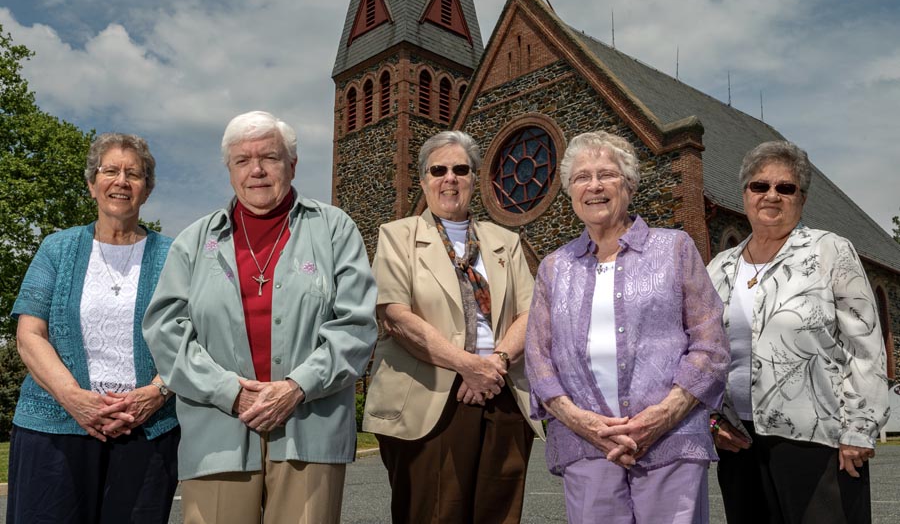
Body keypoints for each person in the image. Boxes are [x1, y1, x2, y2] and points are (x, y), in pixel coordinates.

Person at [142, 111, 377, 524]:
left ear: (292, 164)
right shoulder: (194, 242)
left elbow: (356, 326)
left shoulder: (335, 229)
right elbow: (165, 332)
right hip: (217, 434)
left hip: (310, 428)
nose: (257, 170)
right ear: (229, 170)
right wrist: (229, 392)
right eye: (242, 160)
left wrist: (296, 387)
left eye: (269, 157)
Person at [525, 131, 729, 524]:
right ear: (570, 191)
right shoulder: (555, 267)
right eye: (582, 177)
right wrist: (581, 422)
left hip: (670, 441)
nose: (595, 186)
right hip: (586, 445)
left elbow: (710, 343)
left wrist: (662, 416)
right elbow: (538, 358)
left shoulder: (675, 249)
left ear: (630, 185)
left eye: (607, 174)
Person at [363, 130, 543, 523]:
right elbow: (395, 316)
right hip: (430, 396)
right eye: (438, 170)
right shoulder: (398, 237)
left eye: (460, 170)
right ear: (424, 180)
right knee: (431, 514)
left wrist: (493, 364)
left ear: (474, 178)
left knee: (499, 512)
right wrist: (467, 365)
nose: (450, 178)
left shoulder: (505, 242)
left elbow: (530, 314)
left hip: (502, 392)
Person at [707, 140, 889, 524]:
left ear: (801, 199)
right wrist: (710, 422)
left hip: (818, 437)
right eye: (760, 186)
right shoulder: (720, 267)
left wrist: (859, 430)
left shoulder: (829, 251)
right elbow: (701, 351)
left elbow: (865, 345)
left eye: (785, 187)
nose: (771, 195)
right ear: (745, 195)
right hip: (738, 441)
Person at [6, 133, 178, 524]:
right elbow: (30, 334)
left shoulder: (175, 255)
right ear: (91, 184)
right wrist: (73, 398)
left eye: (134, 174)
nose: (121, 181)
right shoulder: (57, 248)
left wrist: (157, 391)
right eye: (110, 171)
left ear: (147, 190)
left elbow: (196, 336)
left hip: (147, 431)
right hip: (54, 429)